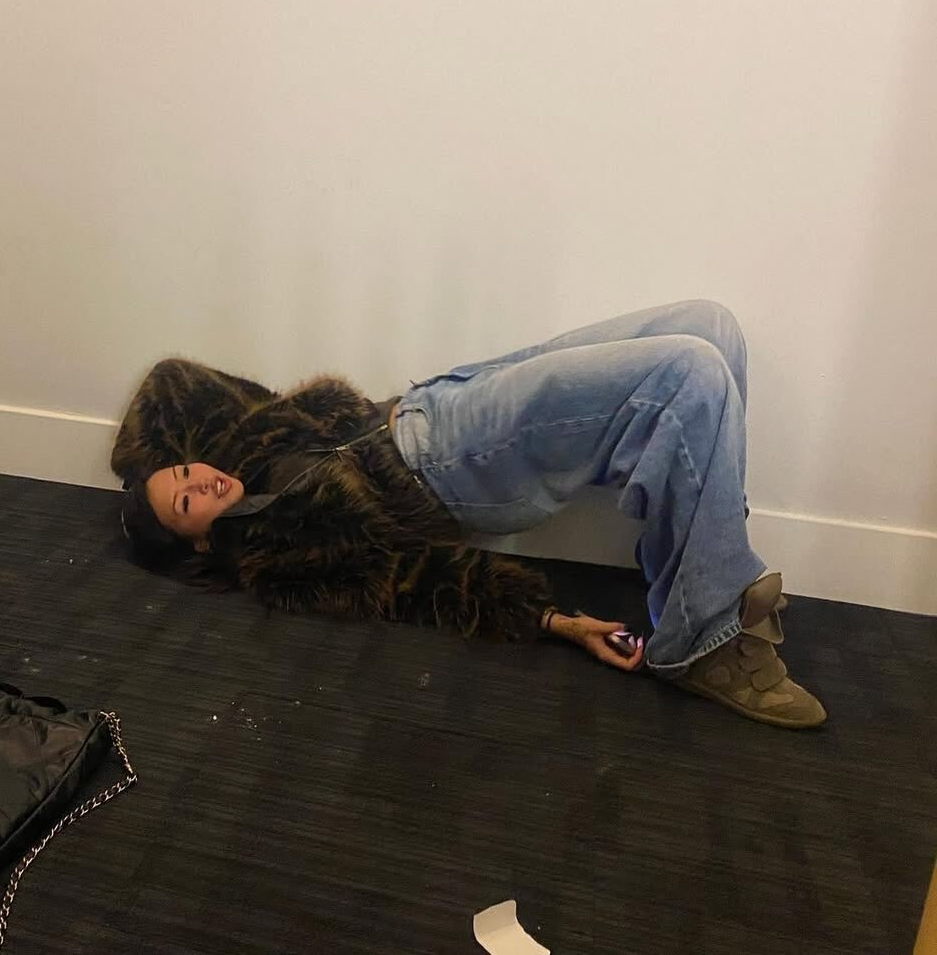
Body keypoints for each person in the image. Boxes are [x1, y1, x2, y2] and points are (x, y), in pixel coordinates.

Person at [112, 300, 825, 730]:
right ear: (198, 545)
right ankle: (702, 641)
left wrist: (139, 478)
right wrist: (556, 621)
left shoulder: (242, 443)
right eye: (187, 500)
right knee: (690, 373)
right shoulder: (276, 554)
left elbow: (171, 380)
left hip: (440, 396)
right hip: (451, 463)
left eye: (186, 470)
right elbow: (414, 584)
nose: (202, 479)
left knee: (711, 325)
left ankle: (694, 579)